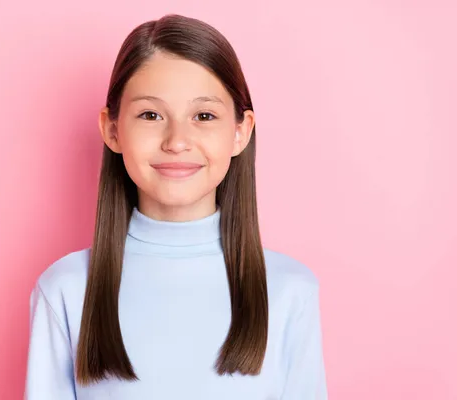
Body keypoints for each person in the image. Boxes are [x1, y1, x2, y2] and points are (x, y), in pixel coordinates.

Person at [24, 13, 327, 400]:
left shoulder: (290, 291)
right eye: (151, 115)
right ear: (112, 129)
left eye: (204, 116)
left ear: (241, 132)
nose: (177, 141)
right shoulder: (65, 290)